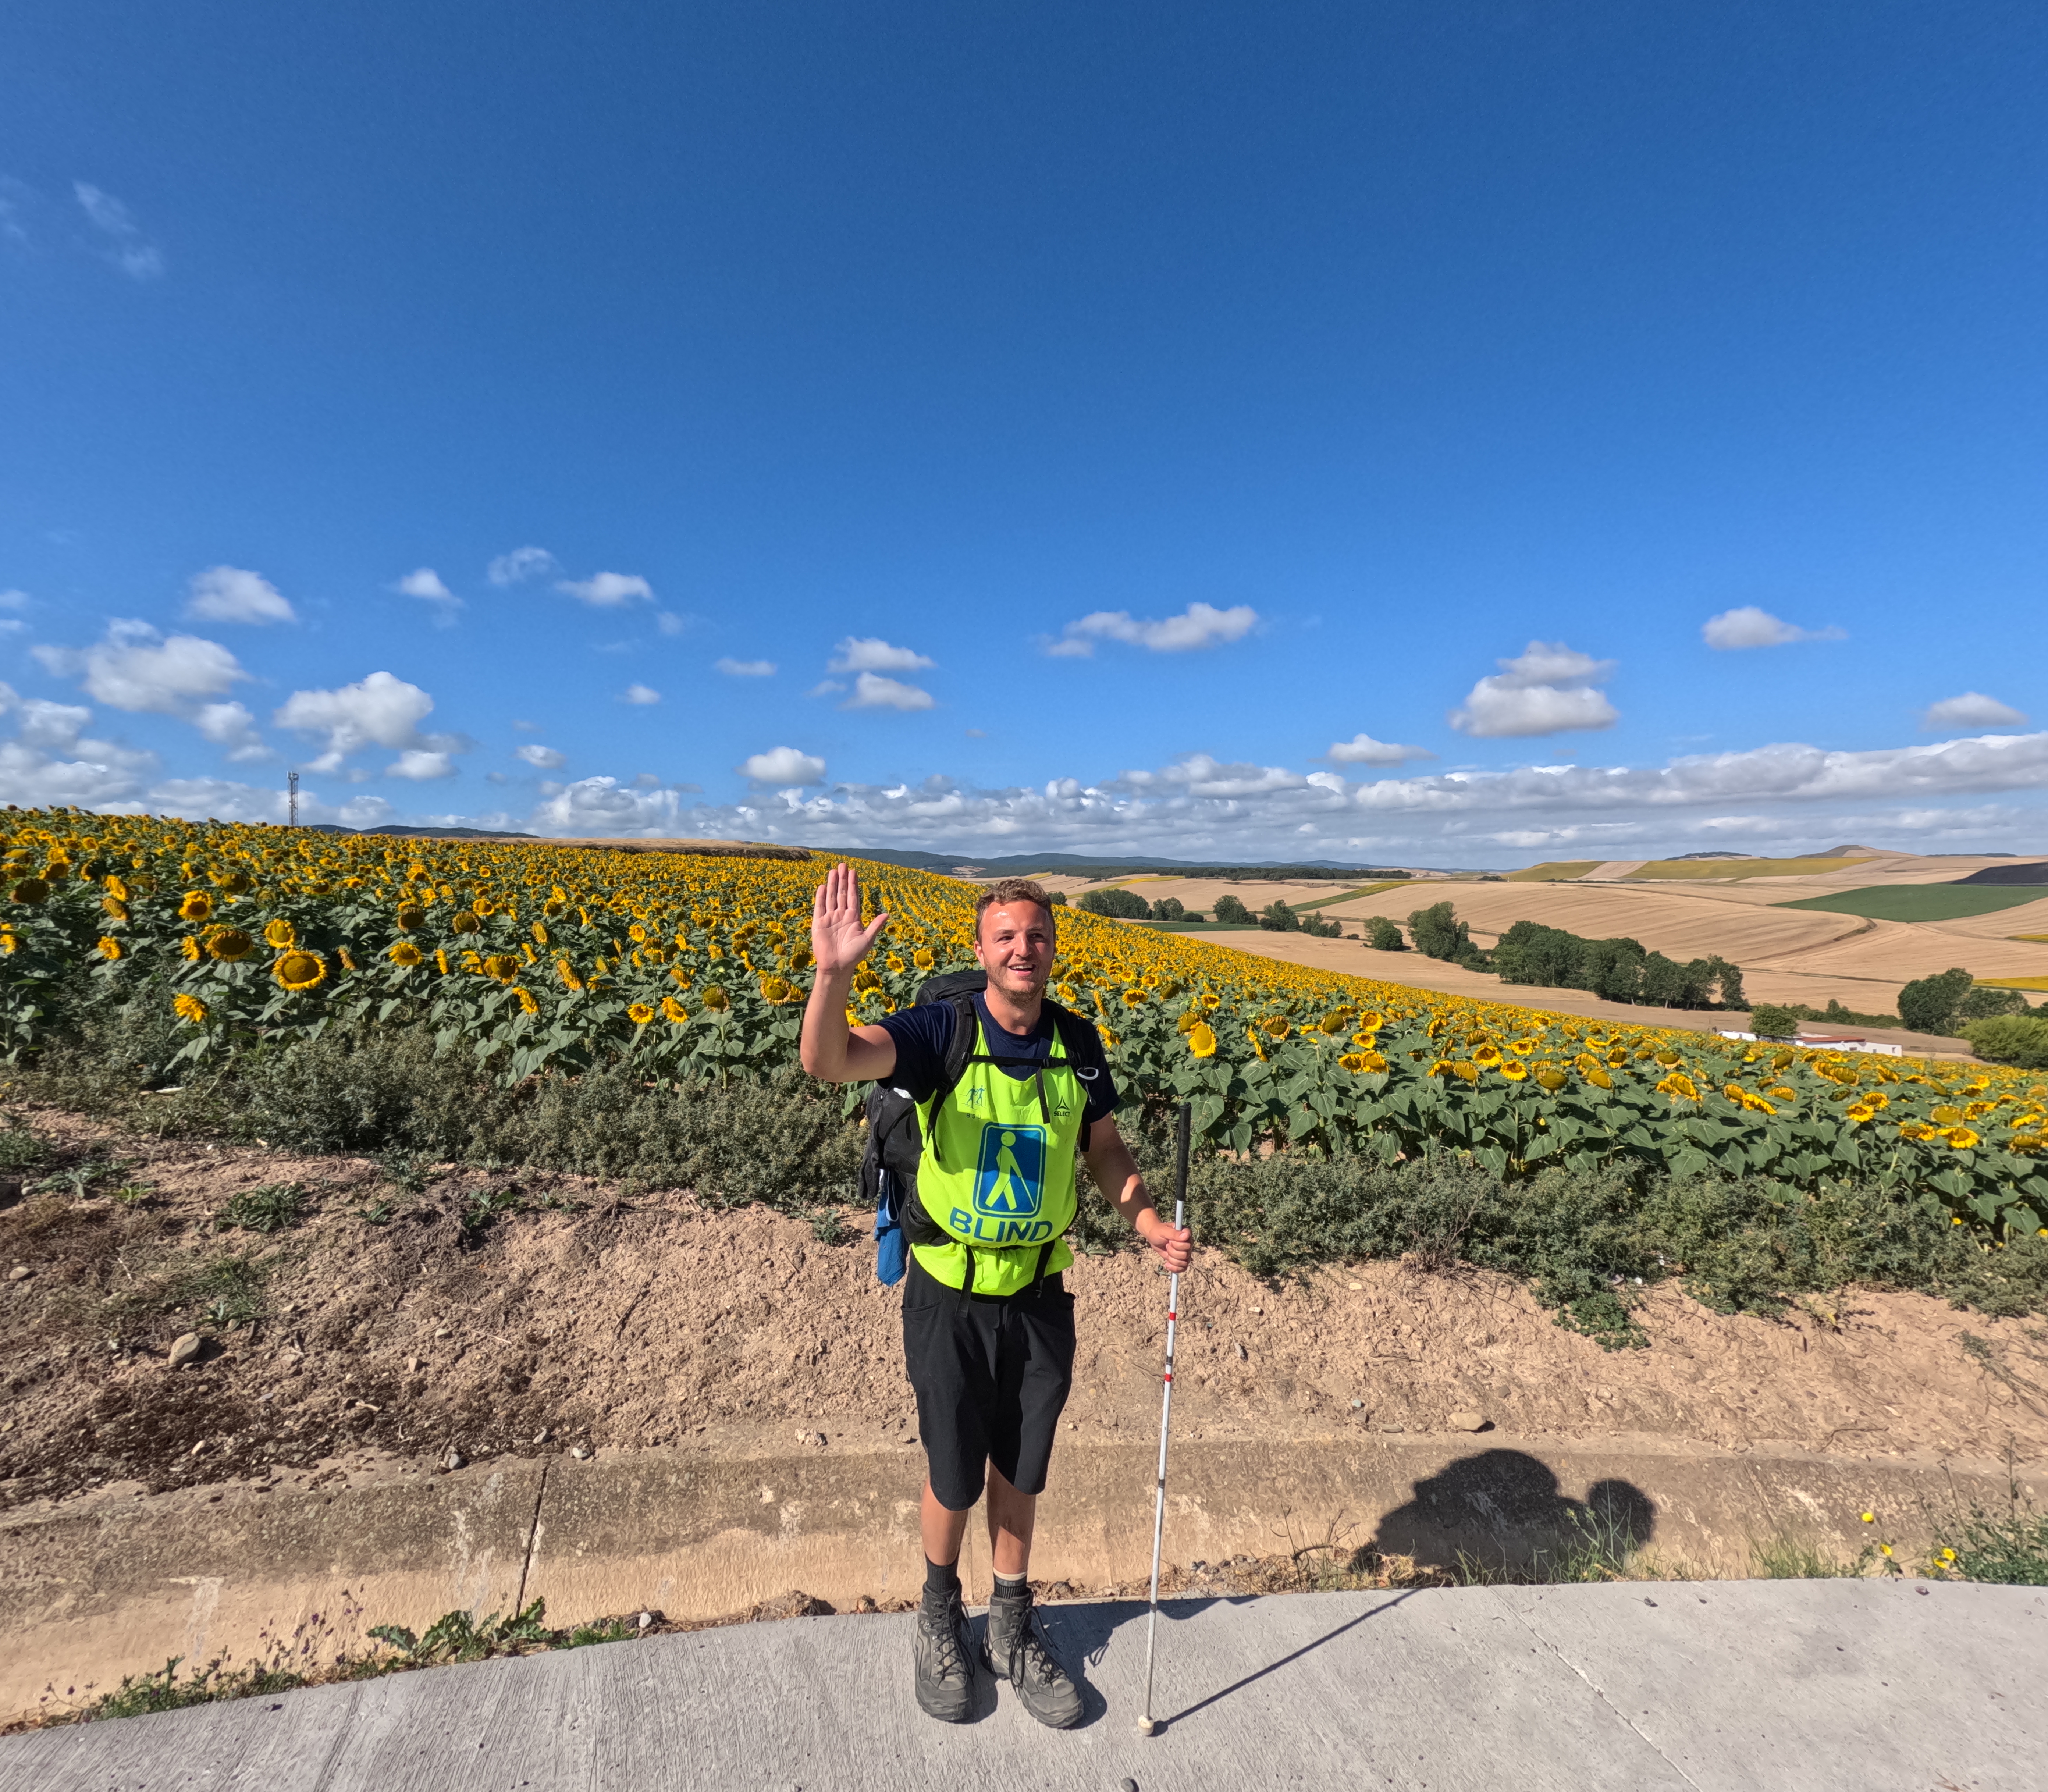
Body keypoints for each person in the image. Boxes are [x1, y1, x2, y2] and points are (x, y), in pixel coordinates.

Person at [800, 865, 1193, 1727]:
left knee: (1021, 1470)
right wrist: (832, 976)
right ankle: (940, 1616)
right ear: (981, 950)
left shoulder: (1076, 1042)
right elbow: (830, 1060)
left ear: (1054, 948)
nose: (1024, 947)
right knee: (954, 1472)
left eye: (1038, 935)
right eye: (1006, 935)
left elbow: (1105, 1152)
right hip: (951, 1293)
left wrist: (1150, 1224)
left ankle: (1012, 1622)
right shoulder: (944, 1030)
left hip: (1041, 1295)